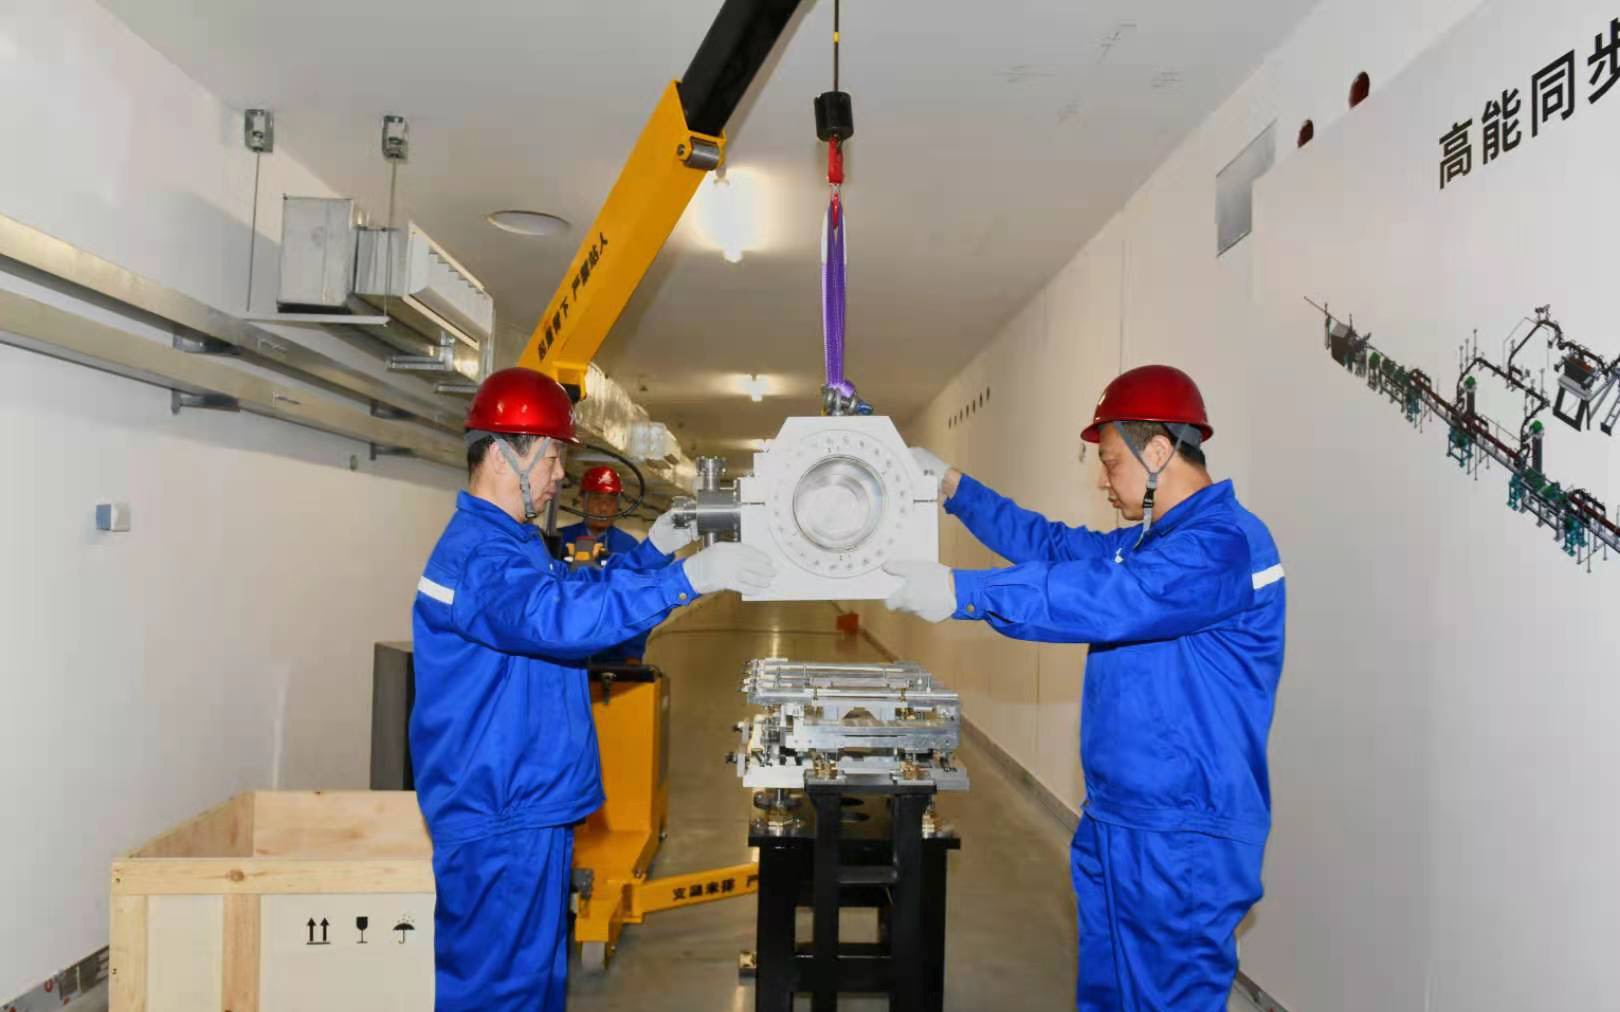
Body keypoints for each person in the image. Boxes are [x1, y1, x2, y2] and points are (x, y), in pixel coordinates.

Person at [882, 365, 1286, 1012]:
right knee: (1108, 995)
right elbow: (1054, 548)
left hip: (1182, 831)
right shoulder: (1155, 543)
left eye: (1111, 461)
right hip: (1119, 816)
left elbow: (1110, 596)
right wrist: (953, 486)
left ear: (1159, 452)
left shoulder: (1223, 546)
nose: (1102, 480)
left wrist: (962, 591)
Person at [410, 367, 776, 1012]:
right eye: (553, 457)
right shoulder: (479, 557)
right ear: (503, 453)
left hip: (525, 802)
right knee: (499, 992)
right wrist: (686, 581)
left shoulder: (512, 543)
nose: (560, 476)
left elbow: (571, 594)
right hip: (501, 810)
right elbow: (554, 618)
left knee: (534, 982)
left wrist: (653, 554)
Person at [557, 466, 656, 662]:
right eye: (596, 499)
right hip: (563, 646)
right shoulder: (560, 540)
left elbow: (639, 602)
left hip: (612, 651)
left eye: (610, 501)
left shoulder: (628, 547)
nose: (603, 508)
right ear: (582, 501)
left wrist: (632, 653)